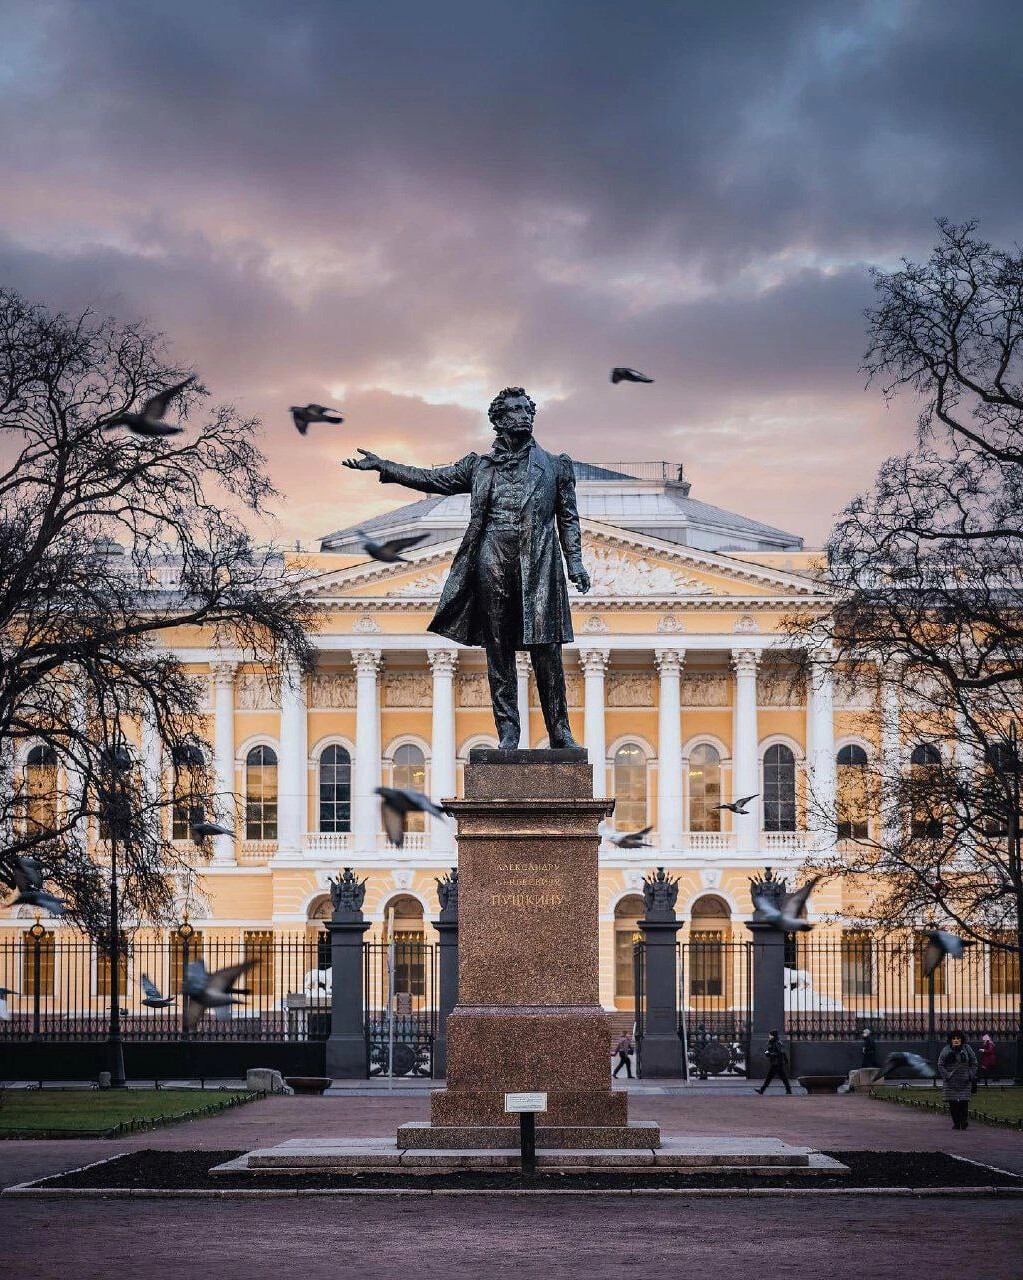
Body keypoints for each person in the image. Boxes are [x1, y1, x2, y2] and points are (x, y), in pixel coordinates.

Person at [344, 388, 591, 748]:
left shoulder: (556, 466)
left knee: (547, 649)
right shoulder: (478, 467)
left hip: (538, 562)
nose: (525, 415)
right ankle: (508, 731)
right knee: (498, 649)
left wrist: (576, 562)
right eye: (516, 410)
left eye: (528, 409)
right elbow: (432, 480)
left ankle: (560, 732)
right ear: (499, 419)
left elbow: (568, 519)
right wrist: (385, 466)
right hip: (491, 559)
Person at [937, 1029, 978, 1129]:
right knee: (953, 1103)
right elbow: (940, 1064)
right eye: (954, 1038)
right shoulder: (946, 1050)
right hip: (951, 1081)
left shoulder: (967, 1049)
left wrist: (970, 1074)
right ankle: (956, 1123)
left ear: (961, 1039)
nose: (956, 1040)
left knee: (964, 1102)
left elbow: (974, 1062)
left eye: (958, 1038)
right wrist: (947, 1075)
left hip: (964, 1080)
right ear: (950, 1040)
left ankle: (964, 1122)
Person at [756, 1029, 792, 1095]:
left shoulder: (777, 1043)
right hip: (776, 1063)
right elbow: (773, 1052)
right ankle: (788, 1090)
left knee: (770, 1078)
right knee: (782, 1078)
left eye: (770, 1035)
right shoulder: (773, 1042)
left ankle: (762, 1090)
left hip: (777, 1063)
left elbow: (779, 1053)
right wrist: (768, 1053)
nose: (769, 1036)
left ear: (773, 1036)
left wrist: (770, 1054)